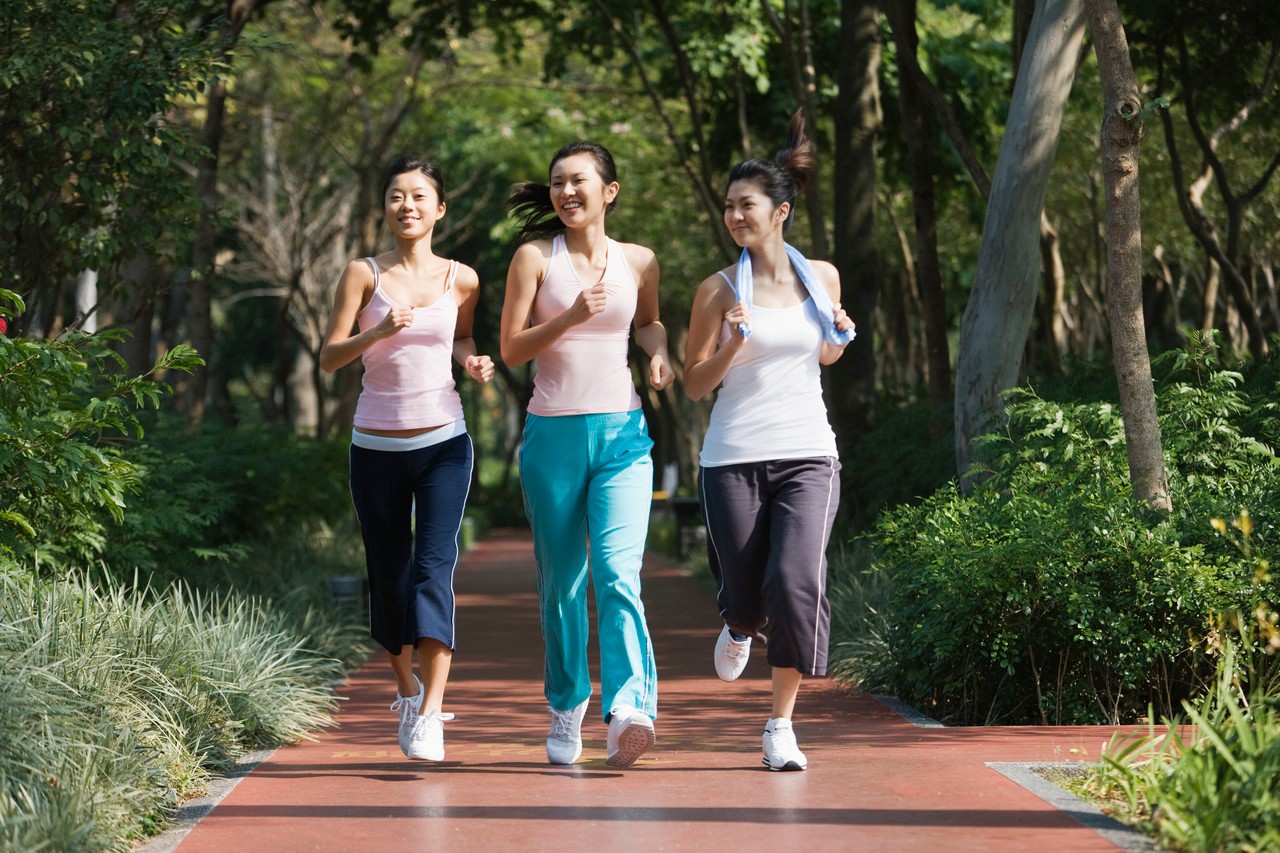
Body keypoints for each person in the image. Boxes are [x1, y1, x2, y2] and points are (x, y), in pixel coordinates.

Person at [682, 112, 855, 772]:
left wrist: (837, 335)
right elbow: (696, 385)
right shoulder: (717, 291)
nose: (733, 216)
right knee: (750, 597)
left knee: (795, 581)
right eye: (727, 207)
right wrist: (730, 344)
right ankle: (736, 622)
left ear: (780, 210)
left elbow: (824, 357)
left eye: (745, 205)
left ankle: (780, 723)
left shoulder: (823, 278)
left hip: (810, 451)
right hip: (731, 457)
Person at [500, 140, 674, 768]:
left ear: (610, 191)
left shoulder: (639, 261)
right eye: (556, 183)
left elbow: (649, 322)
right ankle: (567, 706)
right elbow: (513, 349)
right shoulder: (534, 259)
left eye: (578, 181)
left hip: (624, 434)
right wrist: (571, 315)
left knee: (617, 572)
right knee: (563, 584)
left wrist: (658, 352)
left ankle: (630, 708)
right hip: (554, 438)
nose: (565, 192)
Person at [319, 154, 494, 763]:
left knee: (432, 572)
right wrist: (377, 332)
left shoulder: (462, 279)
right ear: (386, 208)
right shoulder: (362, 274)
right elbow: (330, 357)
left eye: (419, 196)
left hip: (444, 443)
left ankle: (429, 714)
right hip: (376, 448)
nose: (407, 206)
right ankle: (404, 687)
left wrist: (471, 362)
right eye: (396, 196)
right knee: (388, 579)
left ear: (439, 208)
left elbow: (463, 337)